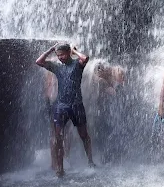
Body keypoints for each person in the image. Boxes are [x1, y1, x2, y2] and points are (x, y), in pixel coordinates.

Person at [36, 43, 95, 177]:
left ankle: (90, 161)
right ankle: (60, 169)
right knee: (58, 138)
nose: (60, 57)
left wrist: (75, 51)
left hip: (76, 105)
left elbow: (85, 58)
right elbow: (39, 61)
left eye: (62, 54)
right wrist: (51, 49)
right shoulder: (57, 67)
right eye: (58, 55)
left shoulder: (77, 65)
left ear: (69, 52)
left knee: (84, 135)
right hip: (61, 106)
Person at [93, 62, 127, 162]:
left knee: (112, 130)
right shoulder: (99, 79)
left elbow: (119, 87)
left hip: (111, 108)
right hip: (101, 109)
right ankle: (106, 156)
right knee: (104, 131)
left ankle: (115, 155)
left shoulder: (115, 71)